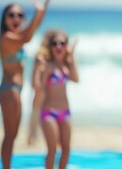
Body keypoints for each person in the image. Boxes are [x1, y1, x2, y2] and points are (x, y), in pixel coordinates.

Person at [0, 0, 49, 169]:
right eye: (11, 15)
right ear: (4, 19)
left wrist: (44, 8)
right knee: (9, 135)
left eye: (20, 15)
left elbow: (32, 29)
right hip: (9, 90)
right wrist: (38, 13)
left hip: (14, 90)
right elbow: (27, 36)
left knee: (12, 135)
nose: (16, 18)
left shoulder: (17, 36)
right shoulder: (7, 38)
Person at [40, 30, 79, 169]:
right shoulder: (47, 65)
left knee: (66, 149)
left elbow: (76, 79)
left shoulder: (66, 66)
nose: (58, 46)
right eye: (54, 43)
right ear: (50, 47)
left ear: (66, 47)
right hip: (48, 112)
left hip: (65, 112)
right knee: (52, 150)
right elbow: (39, 87)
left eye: (62, 43)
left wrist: (72, 55)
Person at [27, 30, 55, 145]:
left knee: (37, 114)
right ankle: (32, 136)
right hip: (41, 90)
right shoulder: (42, 55)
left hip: (43, 90)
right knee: (37, 113)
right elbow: (36, 79)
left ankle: (32, 136)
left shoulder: (46, 54)